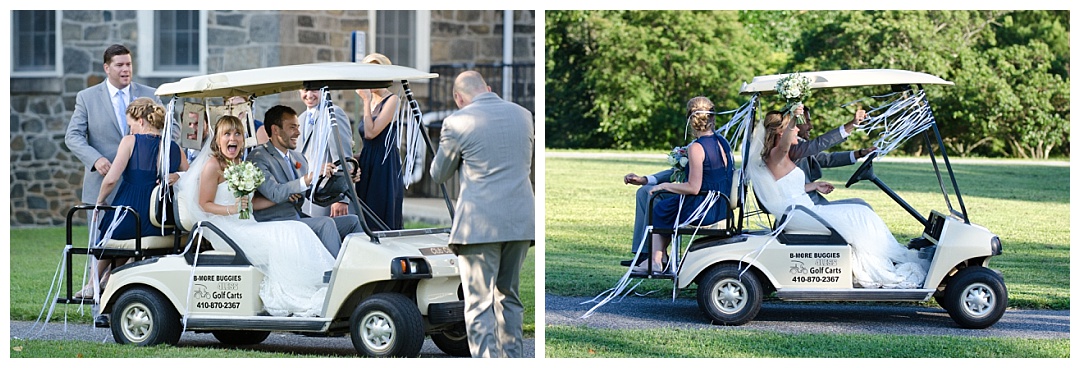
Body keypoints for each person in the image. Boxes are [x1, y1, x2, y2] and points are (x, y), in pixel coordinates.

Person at [622, 105, 873, 263]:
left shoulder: (714, 145)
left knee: (861, 208)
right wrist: (849, 125)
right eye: (802, 121)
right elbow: (815, 145)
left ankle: (653, 258)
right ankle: (651, 258)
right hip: (793, 209)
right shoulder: (781, 150)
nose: (807, 125)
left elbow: (823, 156)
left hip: (786, 204)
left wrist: (857, 154)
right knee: (649, 195)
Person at [176, 115, 335, 317]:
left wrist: (280, 199)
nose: (232, 138)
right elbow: (204, 204)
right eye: (227, 134)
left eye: (237, 134)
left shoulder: (240, 164)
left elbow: (250, 204)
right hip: (225, 230)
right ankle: (300, 294)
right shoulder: (213, 165)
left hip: (246, 224)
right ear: (218, 139)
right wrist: (232, 209)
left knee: (298, 228)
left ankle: (324, 286)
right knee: (286, 234)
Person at [752, 109, 927, 289]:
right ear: (782, 133)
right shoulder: (777, 154)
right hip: (803, 214)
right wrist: (795, 117)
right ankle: (891, 260)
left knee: (861, 209)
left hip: (803, 210)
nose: (797, 129)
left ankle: (888, 257)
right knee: (861, 214)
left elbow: (787, 189)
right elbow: (787, 143)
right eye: (795, 127)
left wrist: (814, 186)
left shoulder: (782, 156)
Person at [430, 71, 534, 358]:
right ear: (488, 88)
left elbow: (439, 173)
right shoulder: (524, 115)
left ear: (458, 98)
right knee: (509, 297)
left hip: (479, 225)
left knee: (478, 302)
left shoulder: (457, 122)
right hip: (520, 220)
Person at [75, 98, 188, 299]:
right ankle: (109, 279)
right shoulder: (175, 148)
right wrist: (178, 176)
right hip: (159, 220)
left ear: (141, 121)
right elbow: (191, 176)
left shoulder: (130, 141)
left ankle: (93, 283)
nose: (130, 130)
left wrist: (100, 201)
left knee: (111, 231)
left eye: (131, 125)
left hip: (131, 213)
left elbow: (111, 179)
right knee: (120, 234)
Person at [630, 97, 733, 275]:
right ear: (712, 117)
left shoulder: (697, 147)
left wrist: (665, 186)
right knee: (658, 200)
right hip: (721, 205)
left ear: (690, 120)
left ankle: (656, 261)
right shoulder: (723, 142)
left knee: (661, 208)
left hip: (704, 208)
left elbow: (694, 187)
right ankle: (656, 257)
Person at [248, 105, 362, 258]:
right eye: (292, 127)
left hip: (298, 219)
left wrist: (343, 180)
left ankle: (360, 265)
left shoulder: (298, 158)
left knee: (352, 221)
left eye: (298, 127)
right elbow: (275, 193)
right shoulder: (258, 157)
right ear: (275, 130)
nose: (298, 132)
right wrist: (309, 178)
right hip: (276, 223)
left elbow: (313, 195)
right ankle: (335, 270)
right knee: (325, 224)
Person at [66, 44, 171, 205]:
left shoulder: (150, 94)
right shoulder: (87, 98)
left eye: (128, 64)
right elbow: (73, 136)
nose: (126, 69)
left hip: (143, 188)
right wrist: (95, 159)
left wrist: (152, 151)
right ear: (107, 68)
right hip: (102, 185)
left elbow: (172, 128)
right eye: (120, 65)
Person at [354, 53, 404, 230]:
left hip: (384, 164)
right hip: (368, 162)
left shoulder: (392, 100)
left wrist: (366, 100)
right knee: (364, 211)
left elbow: (371, 133)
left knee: (379, 210)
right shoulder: (371, 101)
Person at [297, 87, 357, 218]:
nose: (309, 95)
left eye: (314, 90)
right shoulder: (300, 119)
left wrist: (342, 198)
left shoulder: (333, 114)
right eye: (305, 90)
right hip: (307, 199)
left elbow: (343, 158)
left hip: (329, 198)